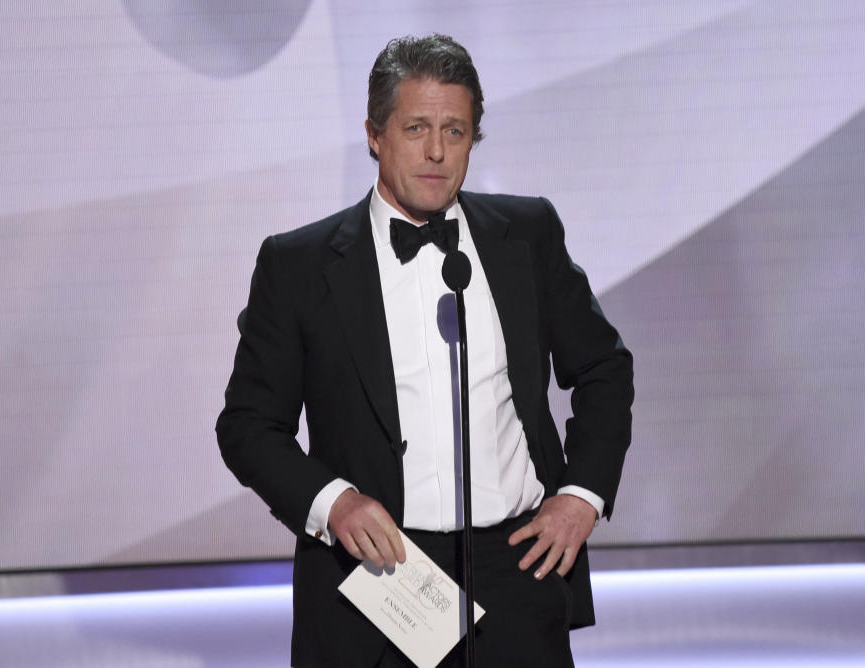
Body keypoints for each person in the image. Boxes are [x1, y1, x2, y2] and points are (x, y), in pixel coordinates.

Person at [216, 34, 633, 667]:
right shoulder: (297, 265)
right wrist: (333, 502)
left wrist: (581, 495)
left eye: (456, 131)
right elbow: (247, 426)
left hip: (516, 571)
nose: (437, 151)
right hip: (378, 583)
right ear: (374, 134)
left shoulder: (528, 235)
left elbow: (603, 368)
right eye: (416, 128)